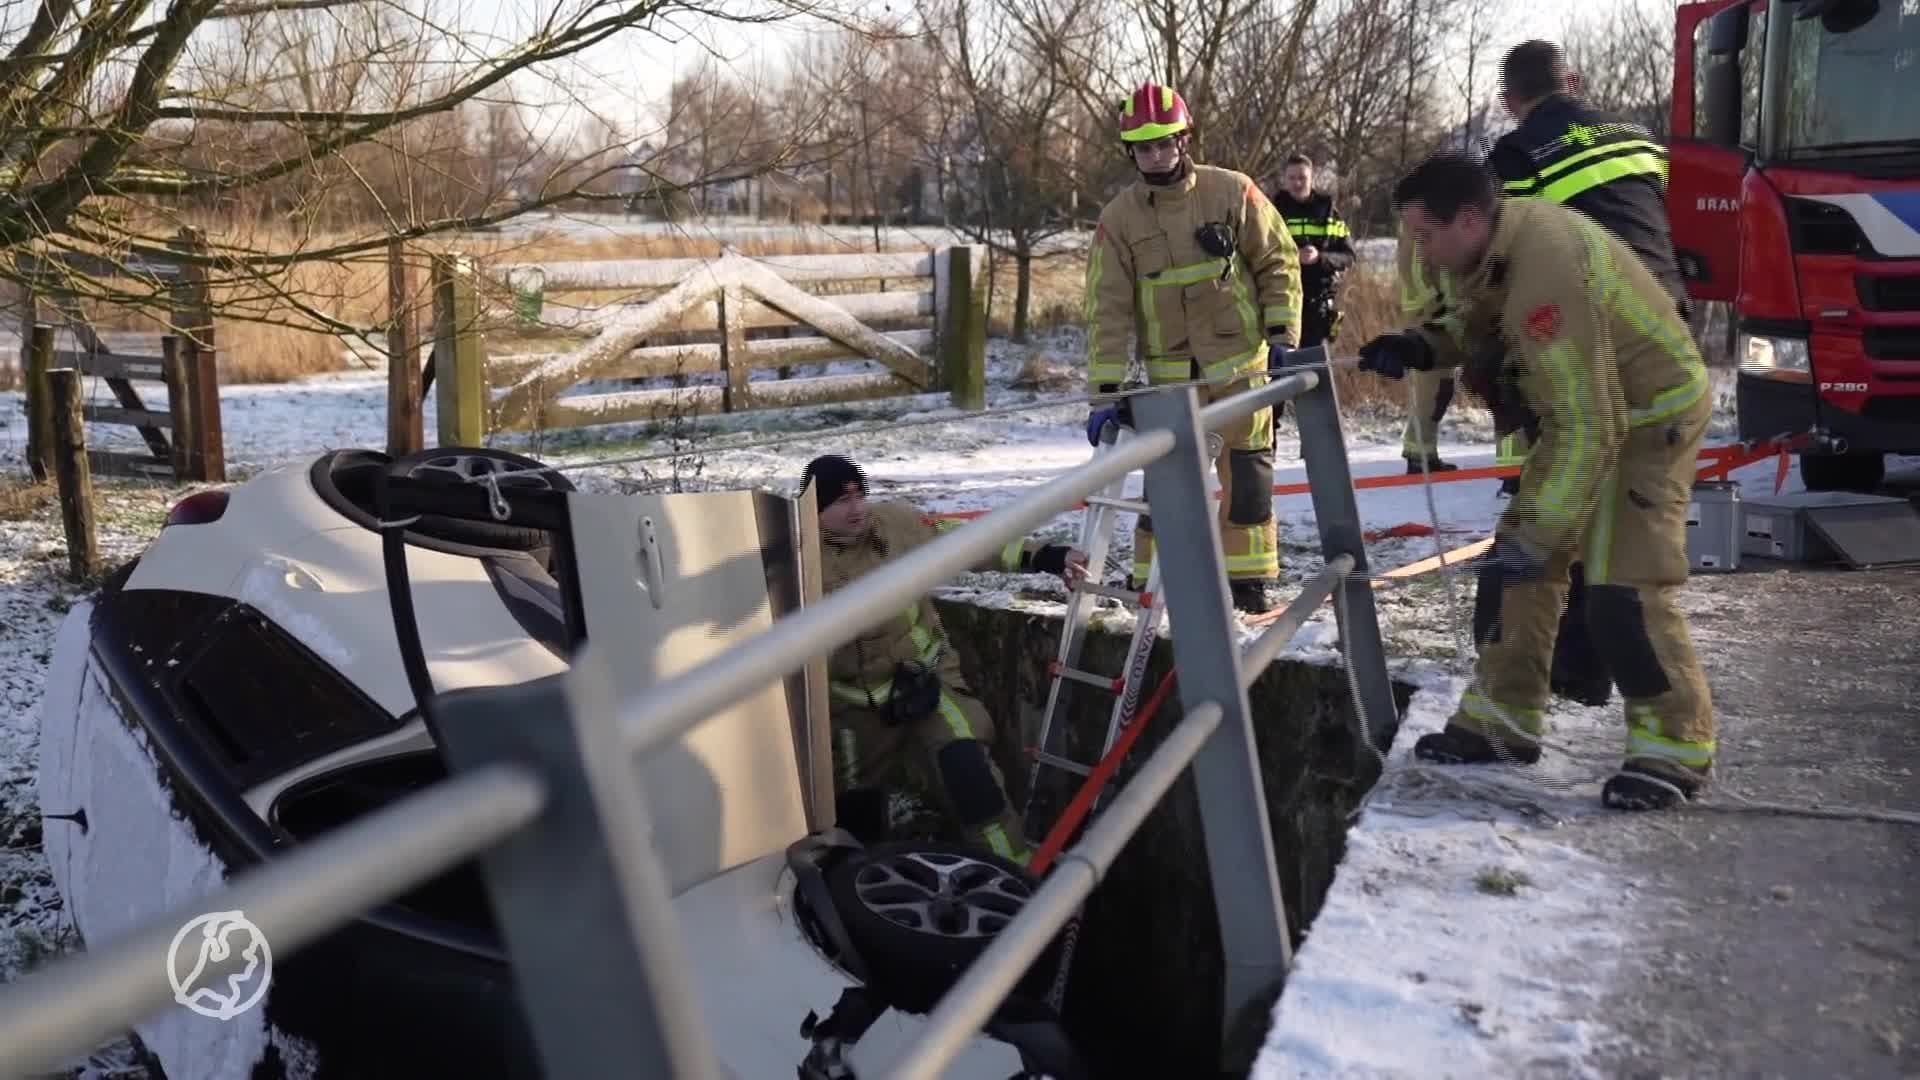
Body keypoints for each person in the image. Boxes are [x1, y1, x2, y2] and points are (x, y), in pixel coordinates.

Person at [1356, 152, 1716, 811]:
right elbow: (1477, 314)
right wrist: (1425, 345)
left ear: (1465, 219)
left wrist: (1542, 534)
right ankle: (1503, 721)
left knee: (1622, 587)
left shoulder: (1546, 271)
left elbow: (1593, 424)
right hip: (1592, 415)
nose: (1420, 253)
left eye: (1423, 236)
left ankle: (1673, 748)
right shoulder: (1496, 242)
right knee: (1516, 567)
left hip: (1649, 418)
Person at [1082, 80, 1304, 615]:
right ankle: (1151, 585)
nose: (1155, 156)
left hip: (1242, 368)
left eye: (1164, 143)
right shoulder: (1119, 219)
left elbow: (1279, 261)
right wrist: (1104, 392)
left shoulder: (1232, 191)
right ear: (1130, 151)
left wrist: (1283, 338)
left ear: (1184, 140)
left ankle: (1247, 585)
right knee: (1166, 484)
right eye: (1143, 146)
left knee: (1248, 477)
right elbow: (1105, 307)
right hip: (1170, 380)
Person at [801, 454, 1088, 864]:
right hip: (851, 712)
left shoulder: (898, 525)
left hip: (927, 685)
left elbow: (965, 543)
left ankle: (1016, 880)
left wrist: (1041, 556)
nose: (857, 508)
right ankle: (860, 896)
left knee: (968, 773)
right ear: (814, 512)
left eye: (860, 494)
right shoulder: (796, 560)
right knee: (849, 816)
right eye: (840, 501)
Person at [1270, 153, 1356, 353]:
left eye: (1302, 177)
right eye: (1292, 178)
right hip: (1282, 303)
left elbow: (1349, 256)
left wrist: (1320, 258)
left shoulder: (1328, 213)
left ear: (1312, 178)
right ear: (1285, 179)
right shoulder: (1272, 213)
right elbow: (1259, 254)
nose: (1297, 183)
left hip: (1318, 306)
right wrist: (1292, 257)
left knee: (1316, 372)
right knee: (1284, 372)